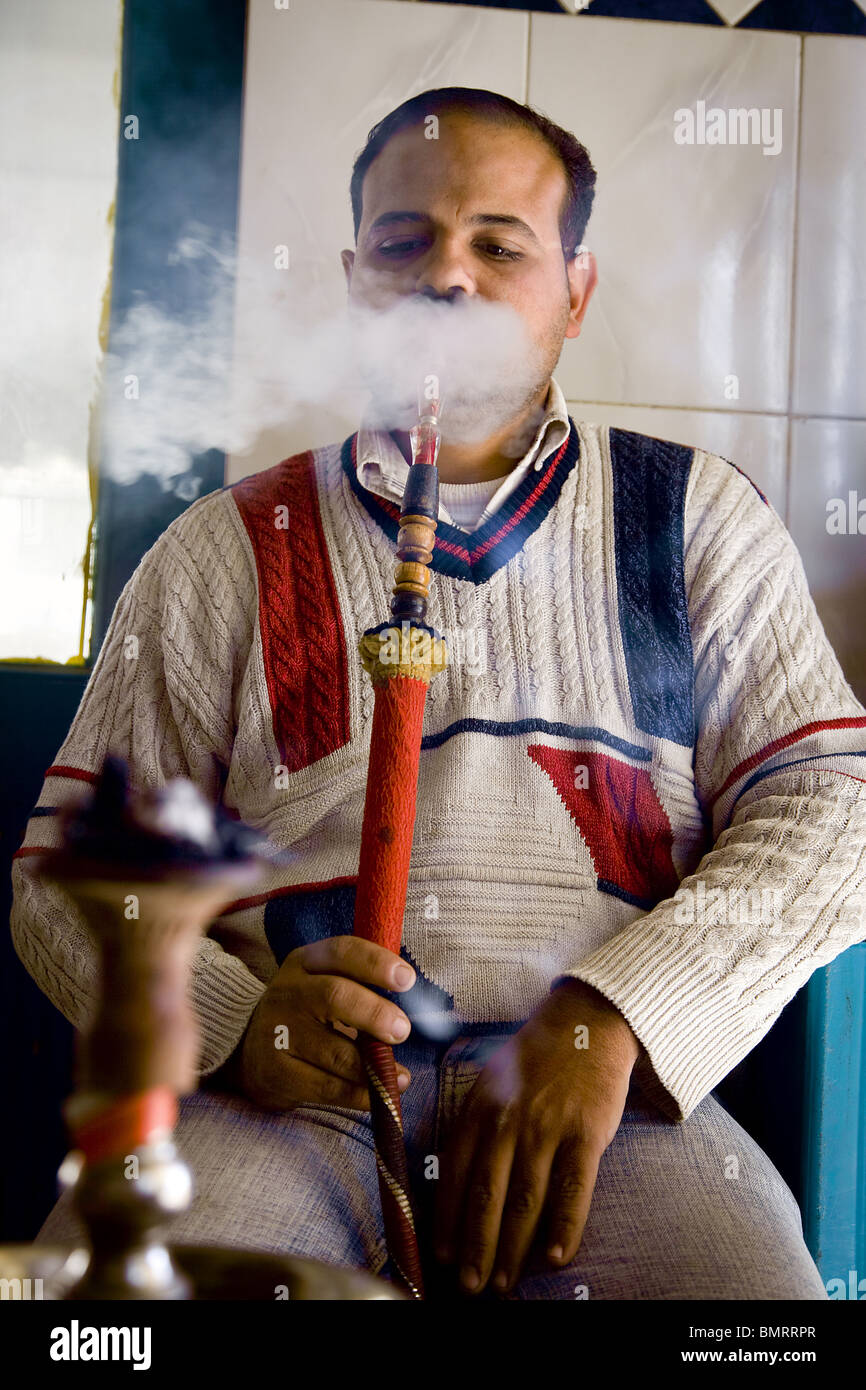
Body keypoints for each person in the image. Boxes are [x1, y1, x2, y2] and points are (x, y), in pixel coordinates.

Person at [11, 87, 866, 1301]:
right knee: (113, 1314)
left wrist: (615, 1021)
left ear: (572, 292)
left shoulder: (692, 521)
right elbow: (68, 874)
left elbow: (834, 808)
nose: (446, 280)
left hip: (601, 1100)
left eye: (498, 246)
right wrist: (236, 1023)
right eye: (405, 244)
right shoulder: (219, 546)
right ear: (356, 281)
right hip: (280, 1103)